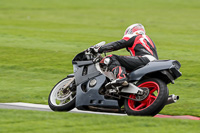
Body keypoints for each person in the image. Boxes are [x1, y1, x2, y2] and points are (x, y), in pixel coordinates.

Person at [92, 23, 158, 88]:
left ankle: (121, 78)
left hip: (145, 60)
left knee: (111, 58)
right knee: (123, 64)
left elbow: (118, 44)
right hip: (153, 63)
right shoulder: (147, 39)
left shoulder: (136, 36)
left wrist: (99, 49)